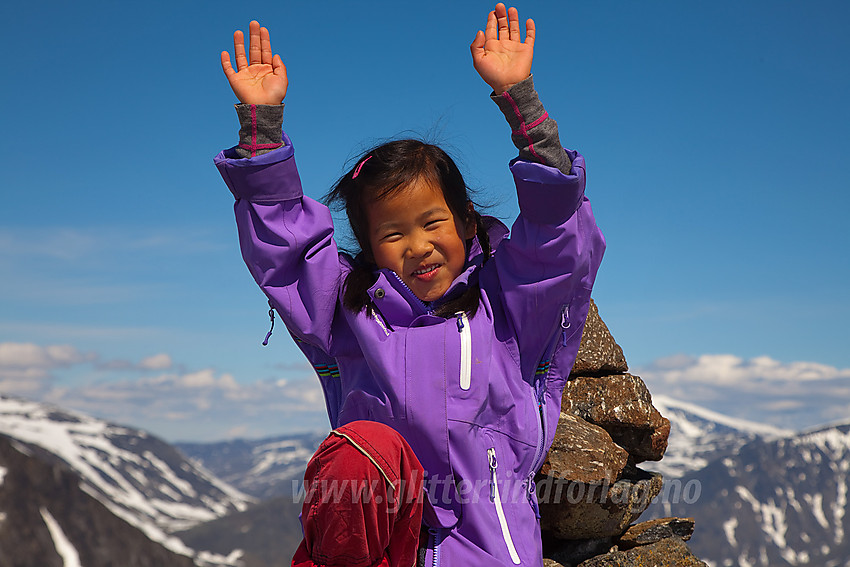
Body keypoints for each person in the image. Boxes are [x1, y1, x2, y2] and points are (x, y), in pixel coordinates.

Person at [214, 4, 606, 566]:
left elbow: (558, 241)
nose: (417, 245)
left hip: (488, 548)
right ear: (370, 248)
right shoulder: (347, 311)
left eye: (432, 223)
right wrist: (262, 129)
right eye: (392, 233)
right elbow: (286, 248)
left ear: (468, 223)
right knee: (359, 453)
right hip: (377, 547)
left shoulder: (508, 308)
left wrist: (523, 106)